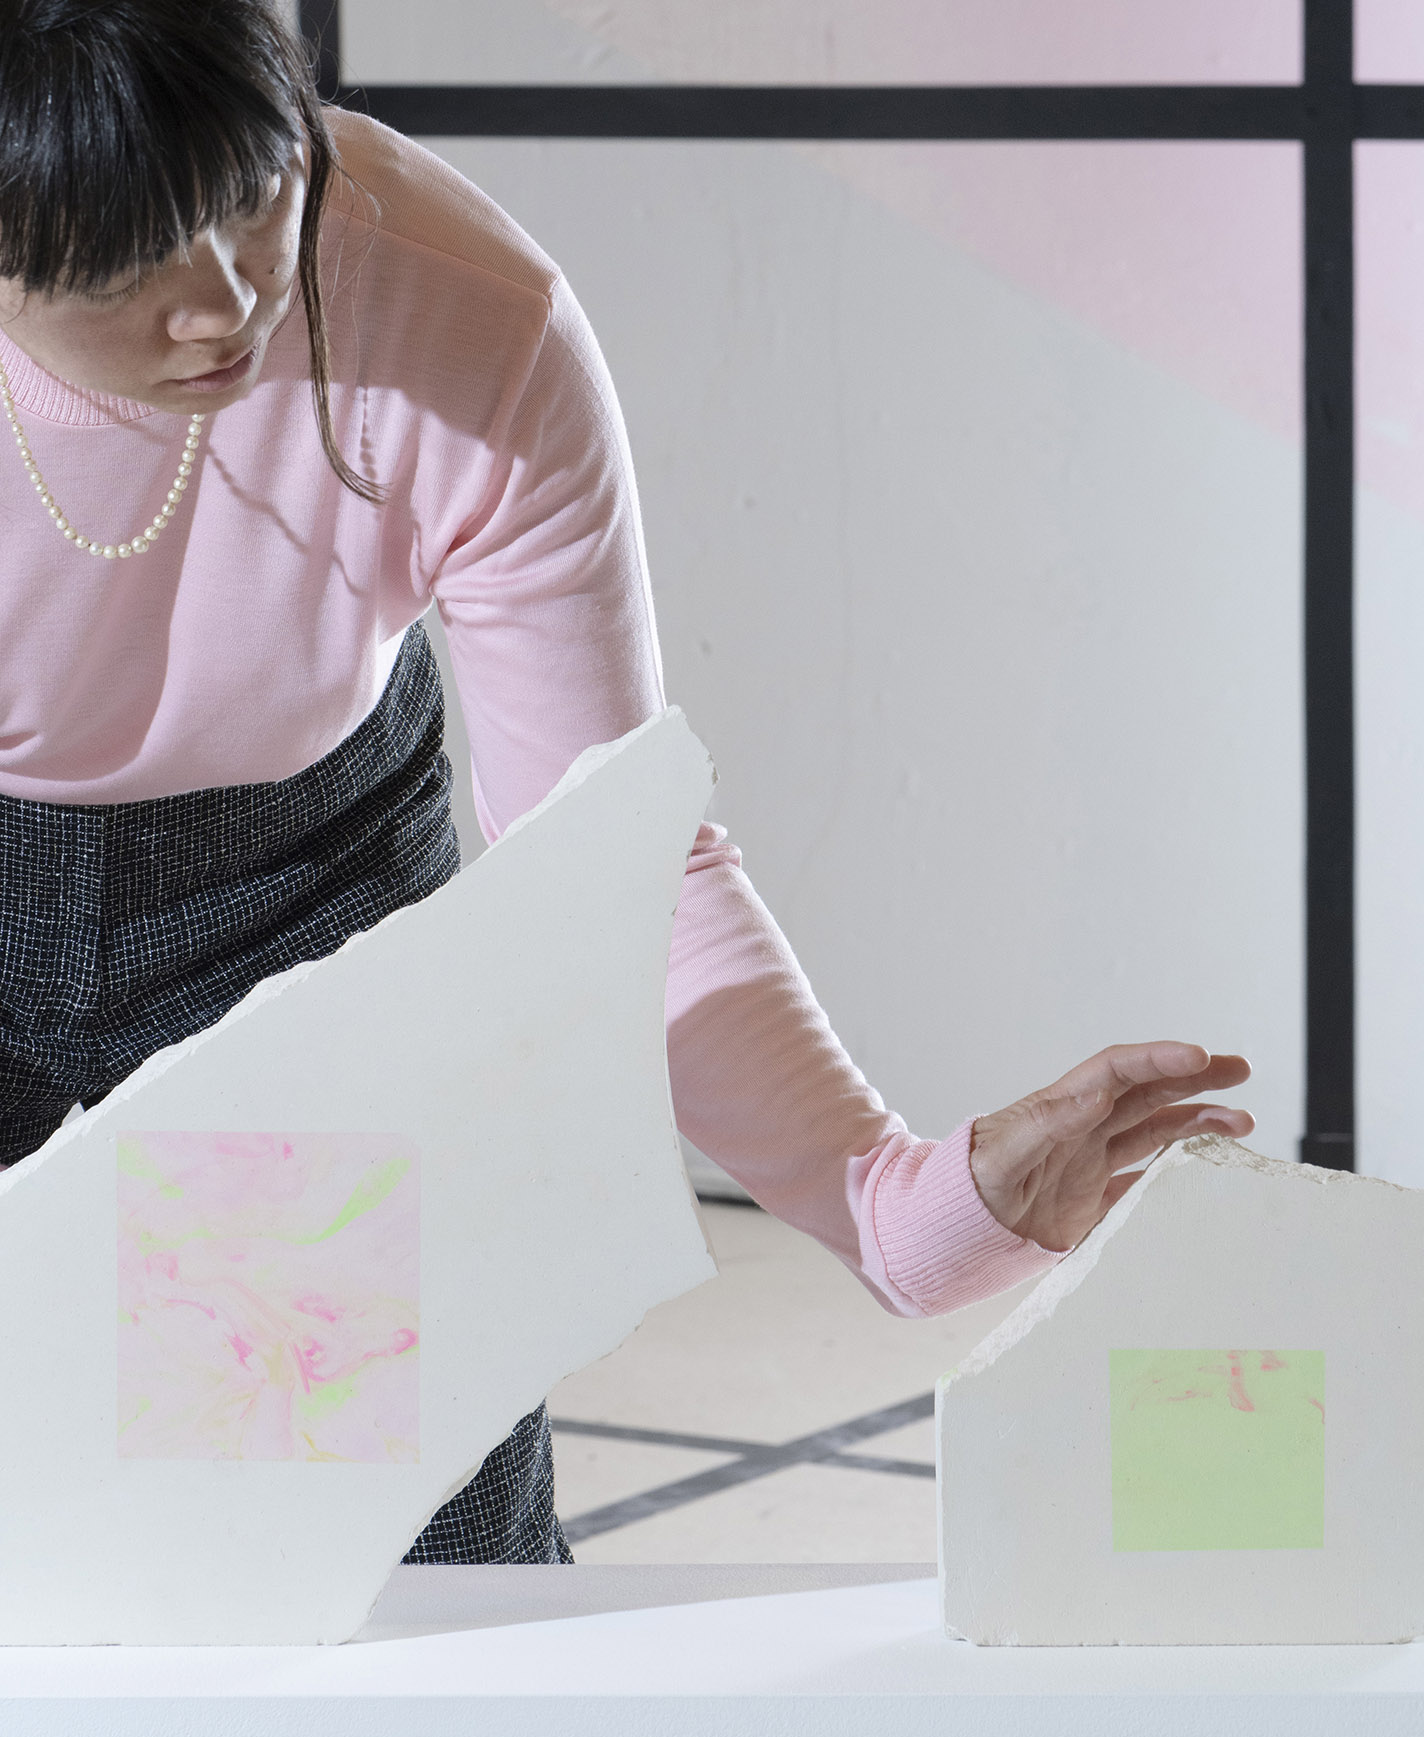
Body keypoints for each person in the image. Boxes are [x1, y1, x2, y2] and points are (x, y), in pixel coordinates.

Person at [0, 0, 1252, 1563]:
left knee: (395, 1555)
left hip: (293, 894)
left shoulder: (463, 311)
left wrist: (895, 1208)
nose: (230, 300)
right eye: (128, 266)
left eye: (255, 196)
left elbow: (611, 855)